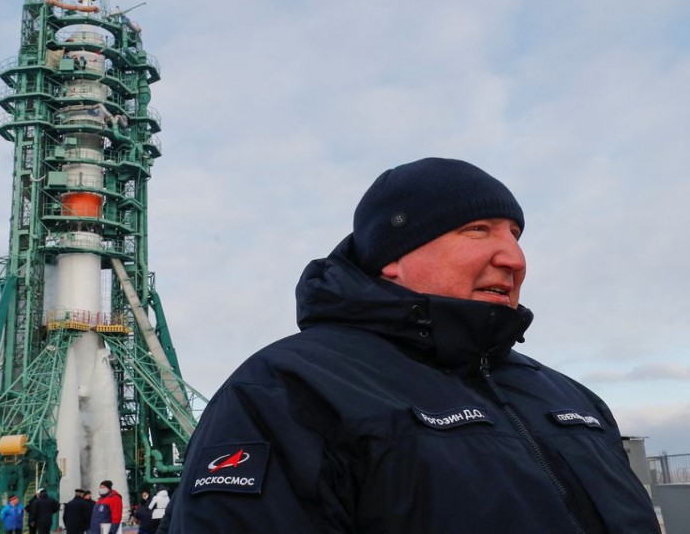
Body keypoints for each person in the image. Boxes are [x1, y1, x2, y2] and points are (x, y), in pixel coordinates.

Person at [160, 158, 661, 533]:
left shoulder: (569, 398)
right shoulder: (286, 389)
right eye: (477, 230)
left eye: (515, 233)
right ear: (393, 256)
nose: (513, 256)